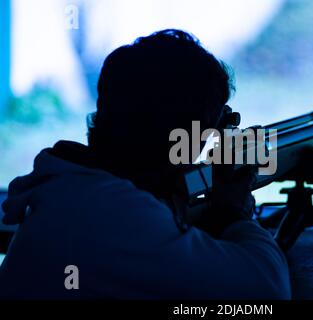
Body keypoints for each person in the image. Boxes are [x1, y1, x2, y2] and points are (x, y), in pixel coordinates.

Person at [0, 29, 291, 299]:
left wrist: (202, 185)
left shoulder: (75, 185)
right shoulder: (112, 210)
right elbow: (266, 291)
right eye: (205, 133)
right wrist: (233, 212)